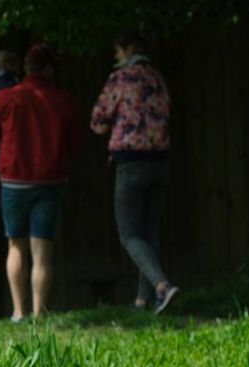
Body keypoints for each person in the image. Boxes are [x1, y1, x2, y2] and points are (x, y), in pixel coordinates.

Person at [0, 44, 81, 322]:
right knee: (42, 250)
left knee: (16, 245)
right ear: (48, 69)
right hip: (50, 182)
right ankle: (39, 314)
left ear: (25, 68)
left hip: (13, 182)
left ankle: (17, 311)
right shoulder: (62, 99)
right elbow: (74, 144)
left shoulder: (5, 98)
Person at [90, 32, 177, 313]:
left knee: (129, 234)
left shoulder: (121, 79)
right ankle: (143, 301)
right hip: (160, 161)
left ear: (127, 49)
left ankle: (162, 286)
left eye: (117, 51)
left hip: (130, 162)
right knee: (148, 231)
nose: (115, 57)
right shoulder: (157, 78)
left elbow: (98, 121)